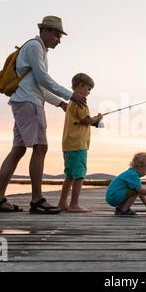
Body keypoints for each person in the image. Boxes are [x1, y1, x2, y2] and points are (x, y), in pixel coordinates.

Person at [0, 15, 86, 214]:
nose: (59, 40)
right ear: (45, 31)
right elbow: (43, 78)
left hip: (24, 102)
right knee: (41, 147)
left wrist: (59, 102)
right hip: (29, 104)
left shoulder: (39, 50)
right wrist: (70, 95)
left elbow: (38, 83)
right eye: (57, 35)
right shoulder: (35, 47)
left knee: (18, 149)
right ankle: (37, 200)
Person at [57, 73, 103, 212]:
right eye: (88, 89)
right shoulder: (80, 101)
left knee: (70, 175)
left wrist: (94, 120)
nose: (89, 92)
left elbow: (81, 121)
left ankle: (62, 203)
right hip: (78, 145)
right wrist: (98, 117)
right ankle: (74, 205)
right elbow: (86, 120)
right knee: (79, 175)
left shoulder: (71, 102)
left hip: (68, 144)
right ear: (80, 86)